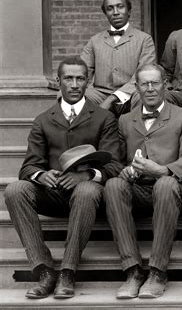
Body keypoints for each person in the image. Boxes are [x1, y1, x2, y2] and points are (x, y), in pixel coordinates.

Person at [4, 56, 121, 299]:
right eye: (68, 78)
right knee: (15, 190)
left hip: (88, 197)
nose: (75, 84)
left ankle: (68, 271)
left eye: (80, 78)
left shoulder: (104, 118)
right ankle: (44, 270)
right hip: (53, 193)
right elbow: (28, 167)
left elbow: (115, 165)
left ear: (88, 82)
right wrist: (41, 175)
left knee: (87, 190)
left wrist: (86, 176)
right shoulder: (43, 120)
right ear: (58, 81)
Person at [103, 63, 182, 299]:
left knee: (166, 184)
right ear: (136, 88)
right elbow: (114, 161)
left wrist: (162, 170)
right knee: (113, 185)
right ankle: (133, 270)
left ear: (165, 85)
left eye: (155, 83)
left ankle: (158, 271)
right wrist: (126, 171)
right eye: (144, 84)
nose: (150, 88)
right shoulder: (125, 120)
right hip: (138, 189)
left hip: (173, 188)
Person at [81, 0, 157, 116]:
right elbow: (82, 72)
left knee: (143, 96)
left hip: (132, 95)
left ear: (129, 11)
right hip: (101, 95)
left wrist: (113, 98)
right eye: (110, 9)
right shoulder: (95, 41)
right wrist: (87, 88)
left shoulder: (144, 39)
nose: (115, 12)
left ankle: (139, 133)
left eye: (120, 7)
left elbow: (144, 74)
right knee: (71, 94)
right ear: (105, 14)